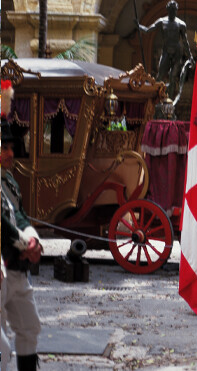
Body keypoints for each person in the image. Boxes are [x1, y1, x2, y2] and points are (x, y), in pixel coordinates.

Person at [1, 79, 42, 371]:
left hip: (16, 267)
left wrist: (33, 239)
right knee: (1, 348)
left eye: (10, 147)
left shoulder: (9, 180)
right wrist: (23, 243)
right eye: (4, 148)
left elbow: (21, 215)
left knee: (30, 327)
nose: (10, 153)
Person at [138, 0, 193, 100]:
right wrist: (138, 26)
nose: (173, 11)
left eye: (174, 10)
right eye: (171, 10)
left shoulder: (181, 24)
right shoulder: (162, 21)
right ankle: (155, 98)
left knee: (172, 77)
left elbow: (185, 42)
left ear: (176, 10)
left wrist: (190, 57)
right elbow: (147, 30)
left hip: (177, 52)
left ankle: (169, 101)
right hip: (166, 50)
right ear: (168, 10)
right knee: (160, 75)